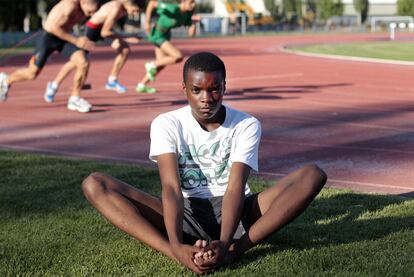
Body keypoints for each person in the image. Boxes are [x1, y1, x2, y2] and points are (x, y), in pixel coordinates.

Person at [81, 52, 327, 274]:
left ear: (224, 87)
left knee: (313, 175)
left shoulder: (246, 124)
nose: (206, 98)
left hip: (237, 210)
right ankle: (174, 251)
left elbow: (234, 188)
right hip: (186, 212)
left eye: (214, 89)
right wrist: (177, 245)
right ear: (185, 88)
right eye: (197, 90)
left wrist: (225, 244)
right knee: (95, 184)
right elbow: (171, 188)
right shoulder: (166, 123)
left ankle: (233, 252)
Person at [0, 0, 99, 113]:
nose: (90, 15)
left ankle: (74, 99)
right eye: (90, 11)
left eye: (93, 13)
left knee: (83, 62)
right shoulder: (69, 6)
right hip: (48, 37)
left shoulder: (84, 10)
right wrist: (76, 41)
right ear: (84, 2)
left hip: (63, 38)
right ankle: (6, 80)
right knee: (32, 73)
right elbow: (52, 27)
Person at [44, 0, 145, 103]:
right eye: (135, 10)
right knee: (77, 62)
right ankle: (54, 85)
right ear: (131, 3)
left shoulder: (123, 8)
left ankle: (112, 80)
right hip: (91, 30)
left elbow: (105, 29)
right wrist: (127, 38)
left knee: (124, 49)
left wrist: (123, 39)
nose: (135, 13)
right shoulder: (116, 7)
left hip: (100, 30)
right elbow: (106, 32)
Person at [135, 0, 200, 94]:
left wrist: (194, 23)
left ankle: (141, 85)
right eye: (191, 2)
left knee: (161, 64)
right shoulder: (172, 8)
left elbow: (191, 35)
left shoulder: (187, 14)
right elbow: (152, 3)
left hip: (165, 36)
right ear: (183, 1)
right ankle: (151, 64)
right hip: (157, 34)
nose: (193, 5)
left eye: (194, 2)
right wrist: (147, 23)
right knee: (178, 56)